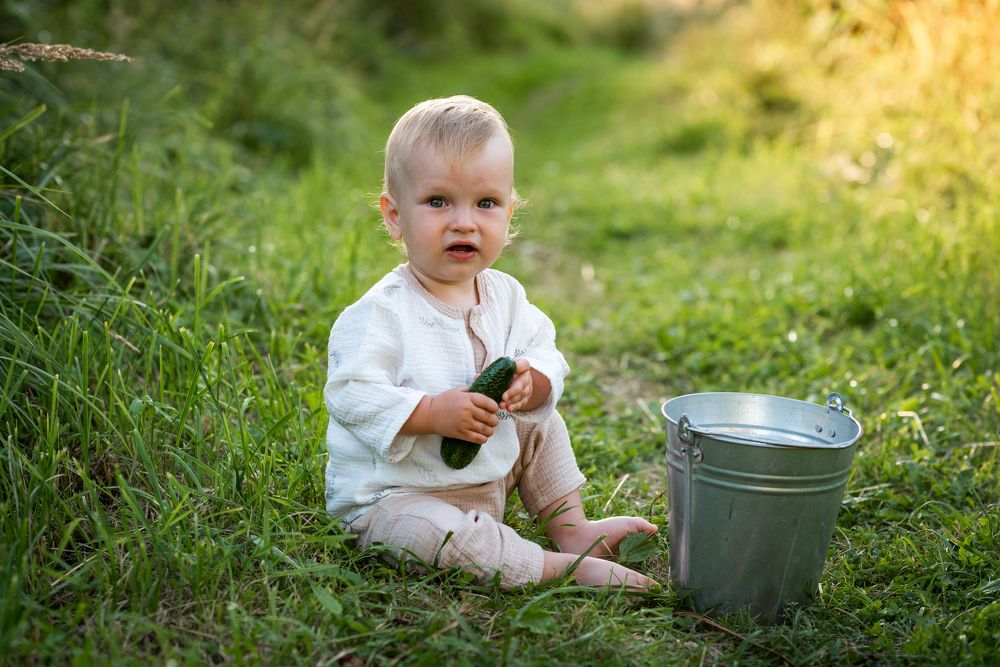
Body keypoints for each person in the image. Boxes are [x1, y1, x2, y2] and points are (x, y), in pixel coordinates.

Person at [324, 95, 658, 589]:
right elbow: (351, 392)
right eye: (438, 202)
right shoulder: (382, 313)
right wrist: (431, 413)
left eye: (486, 203)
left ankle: (570, 529)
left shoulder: (507, 295)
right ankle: (556, 568)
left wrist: (535, 382)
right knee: (436, 538)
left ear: (509, 211)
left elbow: (546, 351)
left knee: (540, 425)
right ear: (394, 216)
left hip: (486, 479)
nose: (464, 221)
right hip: (397, 498)